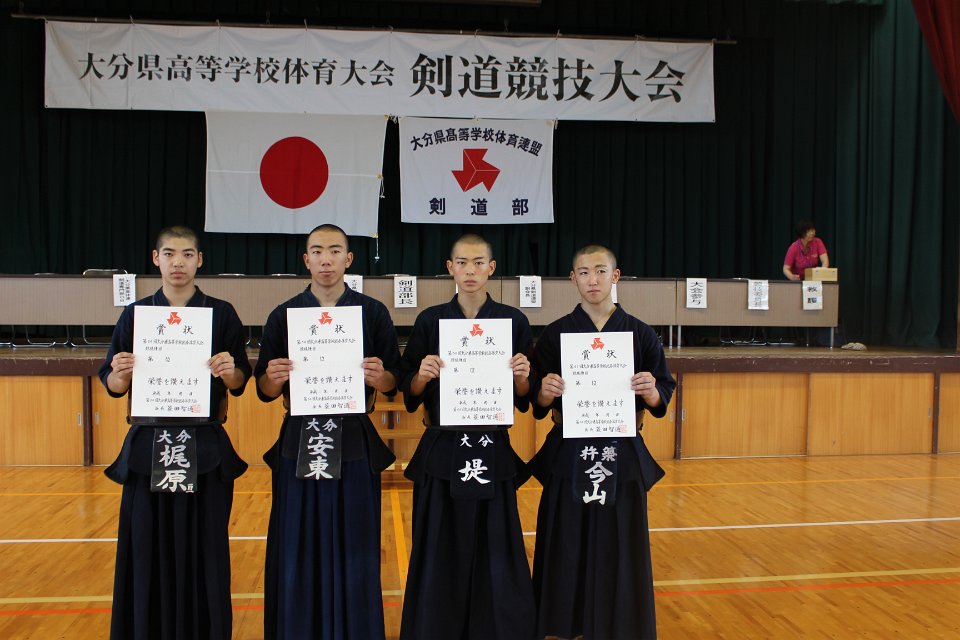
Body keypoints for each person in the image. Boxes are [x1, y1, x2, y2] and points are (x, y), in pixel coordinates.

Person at [98, 225, 251, 640]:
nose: (177, 262)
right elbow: (113, 385)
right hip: (147, 448)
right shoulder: (136, 315)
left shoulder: (221, 313)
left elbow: (240, 381)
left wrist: (229, 370)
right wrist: (119, 374)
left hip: (205, 448)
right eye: (169, 254)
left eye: (186, 254)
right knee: (145, 549)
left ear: (199, 260)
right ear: (156, 259)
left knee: (206, 550)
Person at [256, 224, 401, 640]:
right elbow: (264, 390)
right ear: (306, 260)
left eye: (335, 251)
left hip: (353, 435)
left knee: (356, 540)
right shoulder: (284, 314)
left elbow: (394, 381)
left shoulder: (372, 312)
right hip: (300, 436)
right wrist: (273, 377)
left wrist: (380, 377)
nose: (326, 259)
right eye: (317, 251)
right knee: (297, 539)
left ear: (348, 259)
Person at [529, 244, 676, 640]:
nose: (592, 280)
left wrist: (651, 392)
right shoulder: (556, 333)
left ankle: (621, 623)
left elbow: (663, 390)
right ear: (572, 279)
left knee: (620, 542)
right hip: (568, 451)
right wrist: (544, 391)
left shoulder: (640, 333)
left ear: (616, 276)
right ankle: (565, 621)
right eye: (583, 272)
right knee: (566, 538)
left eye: (600, 271)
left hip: (621, 451)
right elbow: (537, 403)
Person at [398, 233, 536, 640]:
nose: (470, 270)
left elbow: (524, 398)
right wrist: (422, 376)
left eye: (478, 263)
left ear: (491, 268)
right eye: (462, 262)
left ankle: (499, 627)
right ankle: (434, 625)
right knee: (438, 542)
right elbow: (409, 391)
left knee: (497, 542)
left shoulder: (512, 321)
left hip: (492, 446)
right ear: (450, 268)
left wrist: (522, 377)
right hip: (443, 446)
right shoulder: (430, 321)